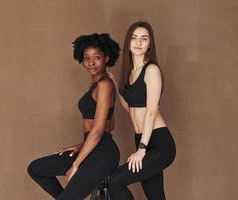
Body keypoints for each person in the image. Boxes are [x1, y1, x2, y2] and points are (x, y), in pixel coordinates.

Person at [27, 33, 121, 200]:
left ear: (106, 58)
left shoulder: (105, 85)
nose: (91, 62)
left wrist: (75, 165)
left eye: (96, 57)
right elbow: (110, 124)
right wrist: (81, 145)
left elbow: (100, 131)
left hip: (103, 153)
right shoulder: (96, 85)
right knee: (36, 169)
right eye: (86, 58)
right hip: (92, 147)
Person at [108, 21, 176, 200]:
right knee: (155, 196)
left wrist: (142, 149)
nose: (138, 43)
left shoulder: (151, 70)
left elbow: (151, 112)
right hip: (142, 138)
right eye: (134, 38)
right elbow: (131, 107)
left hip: (159, 143)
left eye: (144, 39)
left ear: (149, 44)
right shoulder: (130, 72)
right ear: (128, 42)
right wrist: (116, 87)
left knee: (115, 181)